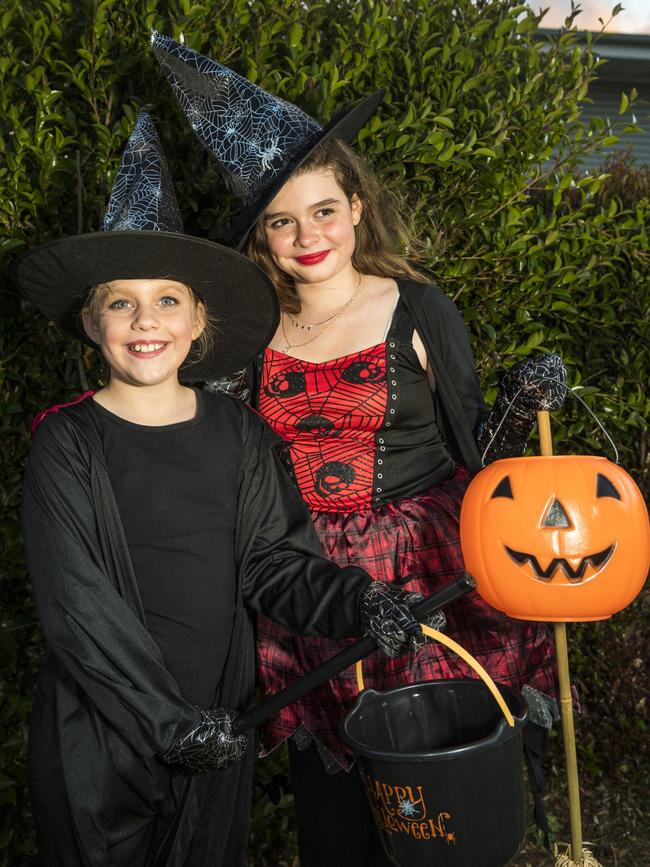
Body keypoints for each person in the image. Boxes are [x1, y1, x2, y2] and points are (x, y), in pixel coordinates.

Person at [153, 35, 567, 866]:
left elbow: (478, 452)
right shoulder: (251, 339)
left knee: (435, 812)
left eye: (323, 211)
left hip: (426, 575)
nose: (308, 235)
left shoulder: (416, 308)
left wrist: (524, 399)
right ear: (261, 237)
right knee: (336, 810)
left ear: (357, 207)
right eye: (282, 221)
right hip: (311, 585)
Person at [14, 110, 430, 867]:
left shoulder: (240, 435)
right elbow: (80, 613)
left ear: (200, 318)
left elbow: (277, 563)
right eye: (122, 302)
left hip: (221, 729)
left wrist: (359, 601)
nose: (147, 321)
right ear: (91, 320)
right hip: (103, 742)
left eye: (168, 299)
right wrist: (165, 720)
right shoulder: (65, 442)